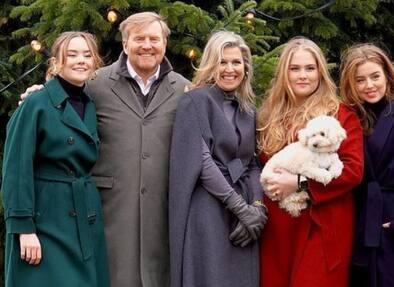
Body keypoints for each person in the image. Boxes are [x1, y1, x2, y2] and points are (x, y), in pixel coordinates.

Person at [20, 12, 189, 287]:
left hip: (162, 215)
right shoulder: (95, 82)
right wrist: (35, 95)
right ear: (125, 44)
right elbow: (59, 97)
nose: (147, 45)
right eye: (139, 39)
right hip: (104, 213)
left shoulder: (183, 89)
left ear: (164, 44)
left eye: (154, 39)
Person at [1, 31, 108, 287]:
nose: (80, 60)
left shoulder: (89, 104)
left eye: (87, 55)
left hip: (85, 218)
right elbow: (16, 168)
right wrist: (23, 228)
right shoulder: (36, 103)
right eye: (72, 55)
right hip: (45, 220)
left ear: (95, 62)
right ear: (56, 62)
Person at [257, 36, 364, 287]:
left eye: (310, 68)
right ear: (285, 73)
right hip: (278, 229)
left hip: (322, 224)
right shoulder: (268, 115)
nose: (303, 75)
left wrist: (300, 183)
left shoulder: (339, 114)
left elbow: (353, 171)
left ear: (320, 72)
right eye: (295, 69)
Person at [169, 30, 267, 287]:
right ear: (212, 64)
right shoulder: (194, 100)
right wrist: (239, 208)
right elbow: (201, 162)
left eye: (236, 62)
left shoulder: (248, 108)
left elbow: (253, 164)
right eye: (223, 62)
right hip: (209, 210)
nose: (230, 69)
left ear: (245, 68)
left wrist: (257, 207)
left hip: (245, 212)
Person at [340, 44, 394, 287]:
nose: (369, 85)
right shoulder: (351, 117)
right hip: (361, 222)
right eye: (360, 80)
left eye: (375, 76)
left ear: (387, 74)